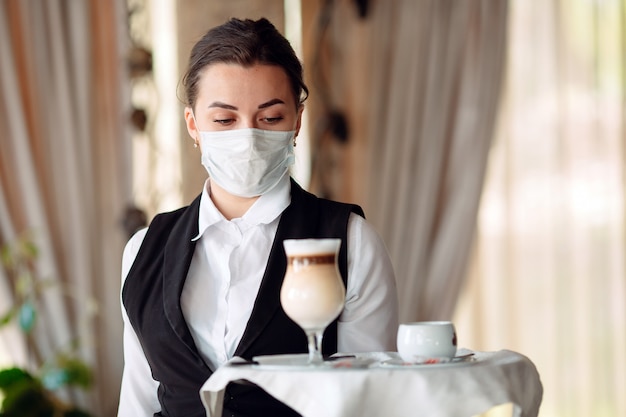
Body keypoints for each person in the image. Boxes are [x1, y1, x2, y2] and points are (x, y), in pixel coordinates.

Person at [117, 17, 398, 417]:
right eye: (224, 120)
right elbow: (138, 401)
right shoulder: (143, 250)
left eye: (269, 119)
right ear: (193, 125)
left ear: (297, 121)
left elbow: (369, 401)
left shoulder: (350, 242)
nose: (248, 137)